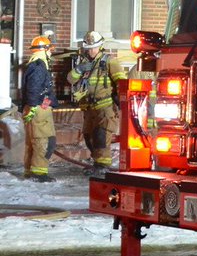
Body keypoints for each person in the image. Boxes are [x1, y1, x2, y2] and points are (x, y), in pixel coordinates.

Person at [67, 30, 127, 173]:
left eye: (93, 48)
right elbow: (70, 79)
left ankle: (102, 166)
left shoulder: (109, 62)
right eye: (88, 48)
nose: (90, 51)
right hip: (89, 108)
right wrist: (79, 69)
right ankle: (97, 163)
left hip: (105, 107)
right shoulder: (84, 63)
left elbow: (122, 82)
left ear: (100, 47)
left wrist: (121, 99)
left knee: (101, 136)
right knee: (89, 137)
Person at [22, 35, 57, 182]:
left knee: (35, 142)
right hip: (39, 111)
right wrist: (37, 106)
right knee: (45, 142)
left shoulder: (35, 65)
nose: (50, 53)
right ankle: (39, 174)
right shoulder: (39, 67)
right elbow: (34, 90)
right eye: (49, 50)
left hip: (36, 109)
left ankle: (32, 171)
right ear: (44, 50)